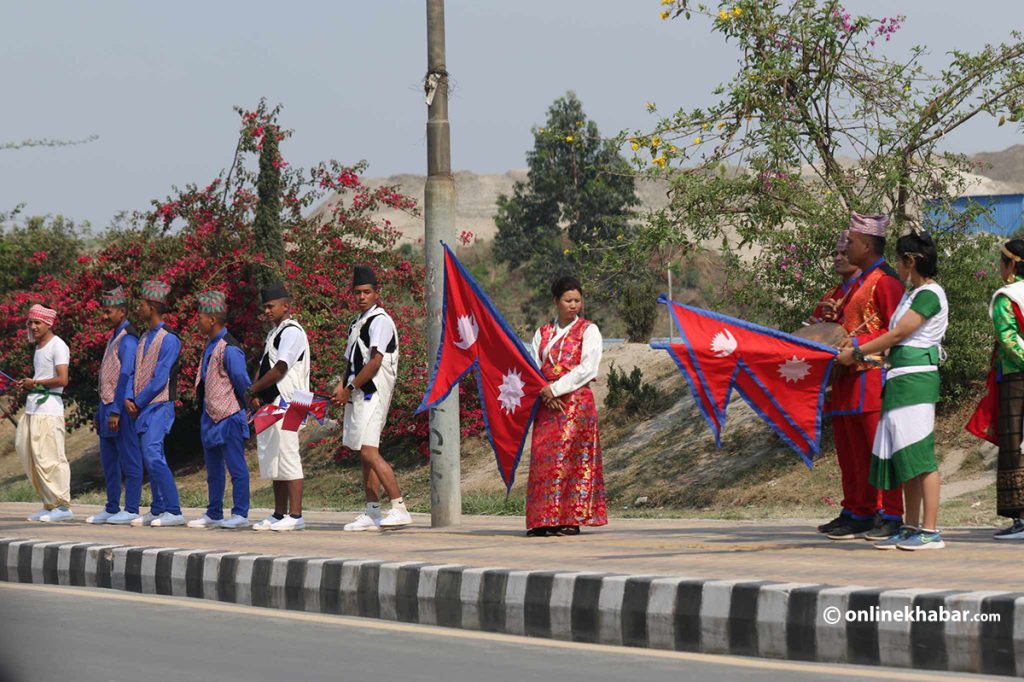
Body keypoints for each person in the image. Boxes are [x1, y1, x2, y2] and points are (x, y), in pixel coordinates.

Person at [838, 230, 948, 550]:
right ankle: (911, 525)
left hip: (916, 380)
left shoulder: (930, 294)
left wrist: (857, 352)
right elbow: (892, 340)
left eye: (900, 262)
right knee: (905, 459)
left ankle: (930, 531)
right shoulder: (911, 296)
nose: (897, 268)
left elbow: (898, 334)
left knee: (921, 458)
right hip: (899, 380)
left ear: (910, 262)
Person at [821, 213, 906, 541]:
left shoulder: (885, 282)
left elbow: (896, 330)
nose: (845, 248)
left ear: (867, 245)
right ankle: (858, 510)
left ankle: (890, 512)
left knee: (878, 451)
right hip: (847, 379)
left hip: (871, 377)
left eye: (851, 243)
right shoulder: (854, 284)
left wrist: (857, 345)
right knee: (852, 454)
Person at [525, 275, 607, 537]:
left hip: (575, 403)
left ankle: (570, 518)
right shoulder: (543, 332)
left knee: (571, 459)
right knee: (544, 459)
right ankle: (542, 519)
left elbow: (588, 367)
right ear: (556, 301)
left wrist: (556, 388)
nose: (573, 305)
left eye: (577, 301)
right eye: (568, 300)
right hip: (546, 403)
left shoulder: (588, 330)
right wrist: (543, 390)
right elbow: (532, 365)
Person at [333, 266, 411, 531]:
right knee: (364, 454)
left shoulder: (380, 321)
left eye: (367, 292)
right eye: (357, 293)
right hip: (358, 394)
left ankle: (399, 507)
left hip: (373, 393)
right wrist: (341, 385)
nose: (362, 297)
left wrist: (350, 387)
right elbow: (350, 361)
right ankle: (372, 511)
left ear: (377, 293)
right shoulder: (357, 322)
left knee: (369, 451)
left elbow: (375, 362)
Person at [247, 282, 310, 531]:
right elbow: (265, 365)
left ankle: (296, 517)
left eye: (271, 306)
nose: (267, 311)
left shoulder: (293, 332)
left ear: (286, 306)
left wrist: (255, 389)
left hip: (294, 402)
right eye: (265, 307)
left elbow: (280, 368)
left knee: (289, 455)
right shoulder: (274, 333)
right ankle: (278, 513)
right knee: (274, 457)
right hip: (274, 403)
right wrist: (255, 393)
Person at [188, 290, 252, 530]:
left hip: (229, 416)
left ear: (212, 320)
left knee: (236, 467)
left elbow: (242, 382)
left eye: (200, 317)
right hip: (210, 416)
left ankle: (240, 513)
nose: (198, 321)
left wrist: (246, 408)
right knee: (213, 469)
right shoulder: (210, 345)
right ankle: (214, 512)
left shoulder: (229, 348)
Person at [126, 280, 184, 527]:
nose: (137, 308)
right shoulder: (143, 337)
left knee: (153, 453)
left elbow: (160, 378)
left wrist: (137, 401)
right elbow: (134, 372)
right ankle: (158, 508)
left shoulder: (169, 339)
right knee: (151, 455)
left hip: (159, 405)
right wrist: (130, 397)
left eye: (141, 304)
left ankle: (174, 510)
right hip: (142, 406)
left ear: (152, 307)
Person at [88, 286, 143, 525]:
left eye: (108, 312)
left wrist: (116, 410)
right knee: (109, 462)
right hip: (105, 406)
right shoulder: (113, 337)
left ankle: (131, 507)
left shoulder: (128, 339)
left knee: (129, 459)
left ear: (122, 311)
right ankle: (111, 506)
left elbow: (126, 376)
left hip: (118, 408)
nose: (105, 316)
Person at [17, 304, 73, 522]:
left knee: (52, 458)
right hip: (34, 410)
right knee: (32, 456)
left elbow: (62, 379)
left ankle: (63, 505)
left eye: (37, 322)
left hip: (49, 410)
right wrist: (30, 384)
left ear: (49, 323)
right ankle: (49, 503)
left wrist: (35, 383)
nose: (33, 326)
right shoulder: (39, 348)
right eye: (31, 322)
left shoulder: (58, 346)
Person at [989, 239, 1024, 539]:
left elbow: (1009, 340)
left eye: (1002, 263)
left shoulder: (1006, 297)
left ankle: (1021, 518)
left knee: (1015, 445)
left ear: (1011, 266)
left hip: (1016, 380)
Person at [807, 231, 860, 325]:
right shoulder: (830, 295)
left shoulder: (868, 288)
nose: (837, 258)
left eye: (844, 253)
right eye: (835, 254)